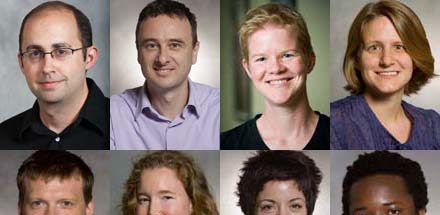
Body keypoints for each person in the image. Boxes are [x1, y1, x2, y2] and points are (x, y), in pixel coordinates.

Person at [110, 0, 219, 150]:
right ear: (138, 53)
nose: (162, 59)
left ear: (194, 52)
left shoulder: (217, 109)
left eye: (174, 45)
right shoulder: (112, 113)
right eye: (151, 45)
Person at [331, 0, 440, 150]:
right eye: (374, 47)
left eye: (399, 47)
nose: (386, 60)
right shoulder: (334, 123)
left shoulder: (433, 124)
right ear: (356, 58)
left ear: (415, 57)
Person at [0, 1, 109, 150]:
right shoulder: (3, 137)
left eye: (61, 51)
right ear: (21, 63)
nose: (47, 67)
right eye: (35, 53)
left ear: (89, 58)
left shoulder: (123, 126)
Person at [221, 3, 329, 150]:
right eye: (261, 59)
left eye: (287, 55)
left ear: (310, 60)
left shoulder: (341, 136)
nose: (276, 68)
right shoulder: (226, 144)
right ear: (248, 69)